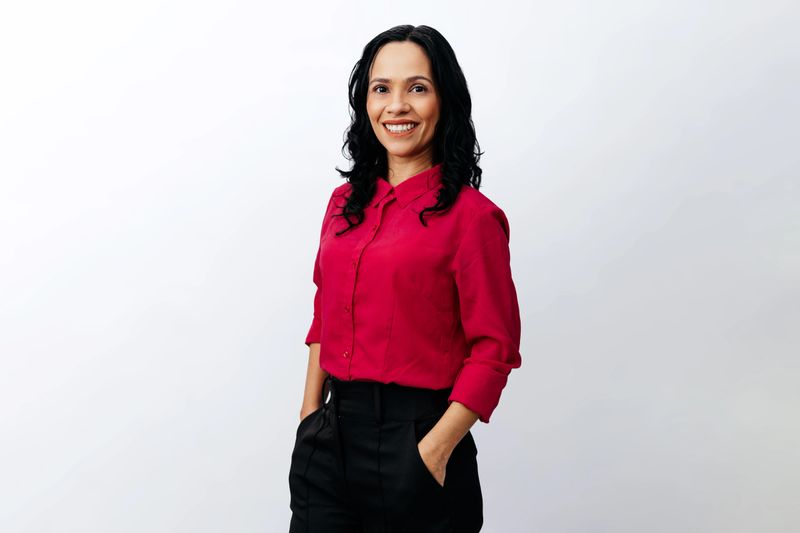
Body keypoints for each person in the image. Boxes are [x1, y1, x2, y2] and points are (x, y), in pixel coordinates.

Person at [288, 24, 522, 533]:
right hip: (330, 440)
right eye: (381, 89)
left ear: (445, 101)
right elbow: (323, 315)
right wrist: (310, 418)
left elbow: (494, 349)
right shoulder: (342, 206)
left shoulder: (473, 218)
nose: (397, 106)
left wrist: (434, 451)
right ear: (365, 102)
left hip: (417, 442)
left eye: (417, 88)